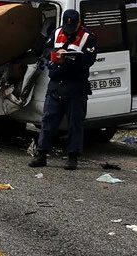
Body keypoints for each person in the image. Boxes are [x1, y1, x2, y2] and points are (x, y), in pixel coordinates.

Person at [28, 9, 97, 170]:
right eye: (67, 27)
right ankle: (41, 154)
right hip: (56, 84)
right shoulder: (57, 32)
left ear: (79, 23)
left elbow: (88, 60)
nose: (69, 31)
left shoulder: (88, 37)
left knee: (75, 123)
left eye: (72, 28)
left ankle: (72, 157)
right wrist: (55, 53)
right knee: (48, 121)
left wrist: (69, 58)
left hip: (76, 85)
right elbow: (46, 50)